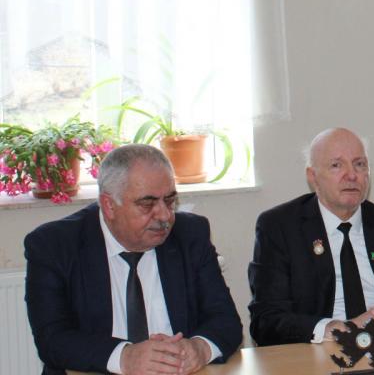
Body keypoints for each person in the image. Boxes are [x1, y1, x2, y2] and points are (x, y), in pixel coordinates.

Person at [24, 144, 242, 375]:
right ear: (109, 205)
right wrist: (124, 357)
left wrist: (200, 348)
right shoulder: (54, 245)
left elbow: (226, 320)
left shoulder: (190, 234)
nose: (164, 215)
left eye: (169, 200)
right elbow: (52, 339)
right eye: (147, 204)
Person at [248, 128, 374, 347]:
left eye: (359, 164)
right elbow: (266, 320)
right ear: (313, 177)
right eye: (336, 165)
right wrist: (338, 328)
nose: (352, 175)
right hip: (320, 350)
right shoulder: (280, 228)